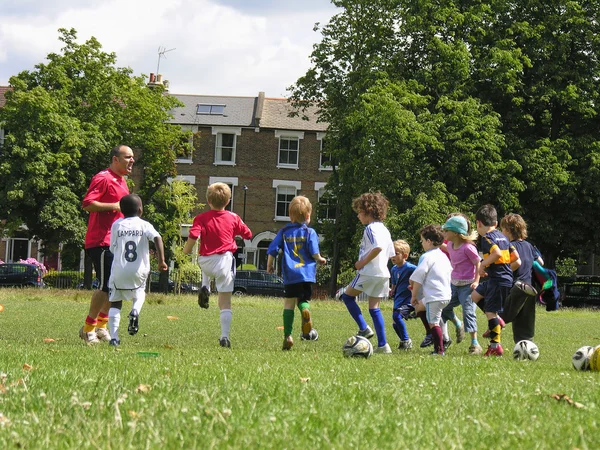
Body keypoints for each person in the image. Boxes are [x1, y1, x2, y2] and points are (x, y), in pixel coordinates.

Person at [183, 182, 252, 348]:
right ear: (228, 201)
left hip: (205, 261)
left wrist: (186, 251)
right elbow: (248, 234)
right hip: (224, 261)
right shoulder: (233, 217)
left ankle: (205, 285)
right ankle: (224, 336)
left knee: (206, 263)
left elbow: (193, 235)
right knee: (225, 302)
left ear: (208, 200)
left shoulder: (200, 218)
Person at [80, 145, 134, 345]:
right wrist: (116, 205)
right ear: (115, 159)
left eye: (132, 157)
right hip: (101, 241)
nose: (132, 161)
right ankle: (88, 328)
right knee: (105, 285)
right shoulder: (103, 178)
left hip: (117, 242)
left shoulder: (122, 182)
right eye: (127, 157)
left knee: (116, 286)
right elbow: (87, 204)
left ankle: (101, 326)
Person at [266, 196, 327, 350]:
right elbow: (314, 252)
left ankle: (288, 336)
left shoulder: (284, 231)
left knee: (288, 303)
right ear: (308, 216)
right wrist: (320, 259)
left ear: (290, 215)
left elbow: (273, 249)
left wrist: (269, 265)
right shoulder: (310, 232)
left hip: (290, 274)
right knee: (303, 300)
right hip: (306, 274)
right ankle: (305, 310)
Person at [107, 194, 168, 346]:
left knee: (115, 303)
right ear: (141, 210)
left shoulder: (117, 225)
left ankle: (114, 338)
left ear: (121, 210)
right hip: (139, 270)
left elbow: (112, 248)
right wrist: (161, 260)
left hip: (119, 270)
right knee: (139, 293)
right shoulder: (144, 225)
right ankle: (135, 311)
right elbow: (157, 238)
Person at [340, 192, 395, 354]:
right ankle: (383, 345)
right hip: (383, 273)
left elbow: (377, 247)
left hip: (368, 272)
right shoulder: (385, 229)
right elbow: (391, 253)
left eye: (359, 211)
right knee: (374, 308)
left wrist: (362, 262)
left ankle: (364, 328)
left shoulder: (371, 228)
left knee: (347, 297)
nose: (358, 215)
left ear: (368, 211)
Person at [470, 204, 519, 357]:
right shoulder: (503, 237)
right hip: (499, 278)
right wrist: (498, 268)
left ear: (478, 223)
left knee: (490, 311)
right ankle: (498, 321)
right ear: (496, 224)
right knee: (475, 296)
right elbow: (516, 258)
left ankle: (495, 346)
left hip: (497, 281)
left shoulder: (486, 238)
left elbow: (496, 253)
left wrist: (483, 265)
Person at [441, 214, 483, 355]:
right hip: (454, 284)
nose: (444, 233)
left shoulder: (468, 248)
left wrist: (476, 281)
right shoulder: (451, 245)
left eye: (446, 230)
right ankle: (458, 324)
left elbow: (478, 263)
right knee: (444, 307)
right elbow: (447, 249)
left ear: (455, 233)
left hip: (467, 286)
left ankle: (475, 344)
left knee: (468, 312)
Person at [499, 213, 543, 344]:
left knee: (502, 316)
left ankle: (494, 342)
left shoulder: (508, 247)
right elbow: (540, 262)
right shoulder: (529, 246)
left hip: (515, 287)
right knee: (525, 328)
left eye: (502, 229)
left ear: (508, 230)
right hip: (529, 288)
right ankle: (526, 349)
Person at [410, 225, 453, 356]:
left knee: (433, 322)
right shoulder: (443, 256)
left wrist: (414, 295)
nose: (422, 243)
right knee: (419, 308)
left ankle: (439, 350)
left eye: (422, 241)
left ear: (429, 241)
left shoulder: (426, 256)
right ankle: (431, 334)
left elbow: (418, 276)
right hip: (445, 294)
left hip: (435, 296)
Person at [390, 240, 417, 350]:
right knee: (394, 323)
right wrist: (392, 290)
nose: (392, 256)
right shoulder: (394, 269)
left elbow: (420, 275)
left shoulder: (411, 268)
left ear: (405, 255)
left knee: (397, 316)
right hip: (398, 299)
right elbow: (394, 281)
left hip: (408, 299)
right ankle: (403, 340)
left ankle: (406, 340)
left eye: (396, 254)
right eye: (391, 253)